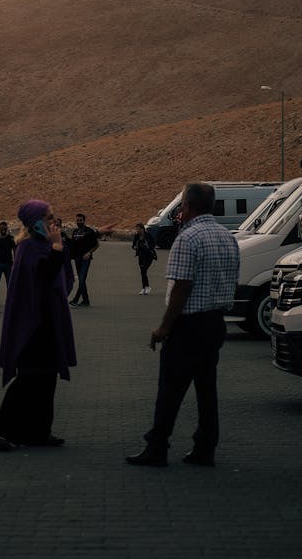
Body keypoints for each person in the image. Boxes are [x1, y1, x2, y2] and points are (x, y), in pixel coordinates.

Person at [126, 182, 240, 468]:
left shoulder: (188, 239)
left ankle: (157, 447)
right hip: (215, 323)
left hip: (188, 325)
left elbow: (181, 288)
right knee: (206, 389)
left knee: (170, 389)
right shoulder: (228, 237)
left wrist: (164, 327)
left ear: (186, 207)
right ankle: (205, 447)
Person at [0, 200, 76, 451]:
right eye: (48, 217)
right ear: (35, 221)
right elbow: (46, 274)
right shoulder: (27, 248)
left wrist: (95, 236)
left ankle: (39, 432)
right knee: (28, 379)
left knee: (47, 378)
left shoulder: (43, 244)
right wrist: (57, 248)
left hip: (48, 323)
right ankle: (0, 432)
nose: (53, 221)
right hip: (31, 325)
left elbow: (68, 255)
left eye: (53, 216)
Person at [69, 212, 100, 306]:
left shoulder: (89, 231)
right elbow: (73, 245)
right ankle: (85, 301)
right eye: (77, 220)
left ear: (84, 221)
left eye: (81, 220)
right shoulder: (75, 232)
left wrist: (89, 252)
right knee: (82, 280)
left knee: (82, 279)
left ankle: (75, 299)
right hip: (77, 258)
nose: (79, 222)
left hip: (86, 258)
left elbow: (97, 244)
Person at [0, 221, 16, 303]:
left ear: (6, 228)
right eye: (2, 228)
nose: (3, 230)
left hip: (8, 264)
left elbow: (14, 250)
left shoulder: (11, 238)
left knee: (9, 283)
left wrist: (15, 262)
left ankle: (10, 300)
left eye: (4, 228)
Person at [132, 222, 157, 295]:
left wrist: (148, 247)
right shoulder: (136, 236)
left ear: (142, 229)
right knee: (142, 271)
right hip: (141, 255)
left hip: (149, 256)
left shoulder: (147, 235)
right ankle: (144, 288)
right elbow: (133, 245)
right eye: (136, 229)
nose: (137, 230)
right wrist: (135, 247)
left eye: (138, 229)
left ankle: (147, 287)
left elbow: (153, 244)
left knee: (143, 270)